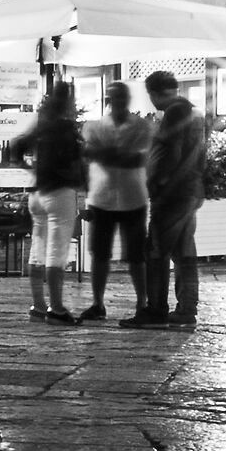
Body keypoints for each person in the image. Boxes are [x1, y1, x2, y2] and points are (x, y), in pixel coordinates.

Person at [123, 70, 209, 331]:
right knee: (184, 252)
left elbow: (172, 153)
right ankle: (186, 309)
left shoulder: (175, 113)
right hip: (189, 191)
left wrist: (159, 184)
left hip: (172, 194)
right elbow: (200, 155)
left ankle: (156, 309)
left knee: (156, 251)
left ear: (155, 92)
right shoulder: (194, 113)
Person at [8, 86, 87, 324]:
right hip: (59, 193)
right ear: (68, 104)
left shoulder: (40, 126)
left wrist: (30, 169)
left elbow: (15, 147)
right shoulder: (67, 129)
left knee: (38, 249)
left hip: (37, 194)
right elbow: (77, 163)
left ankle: (38, 305)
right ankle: (57, 308)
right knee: (56, 252)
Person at [79, 80, 152, 322]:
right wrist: (115, 155)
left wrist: (104, 153)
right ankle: (98, 303)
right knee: (99, 254)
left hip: (133, 198)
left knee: (136, 254)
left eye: (120, 97)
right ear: (108, 100)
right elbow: (88, 155)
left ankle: (142, 302)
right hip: (102, 198)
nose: (116, 102)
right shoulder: (96, 127)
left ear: (127, 100)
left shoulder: (140, 127)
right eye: (112, 98)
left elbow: (136, 161)